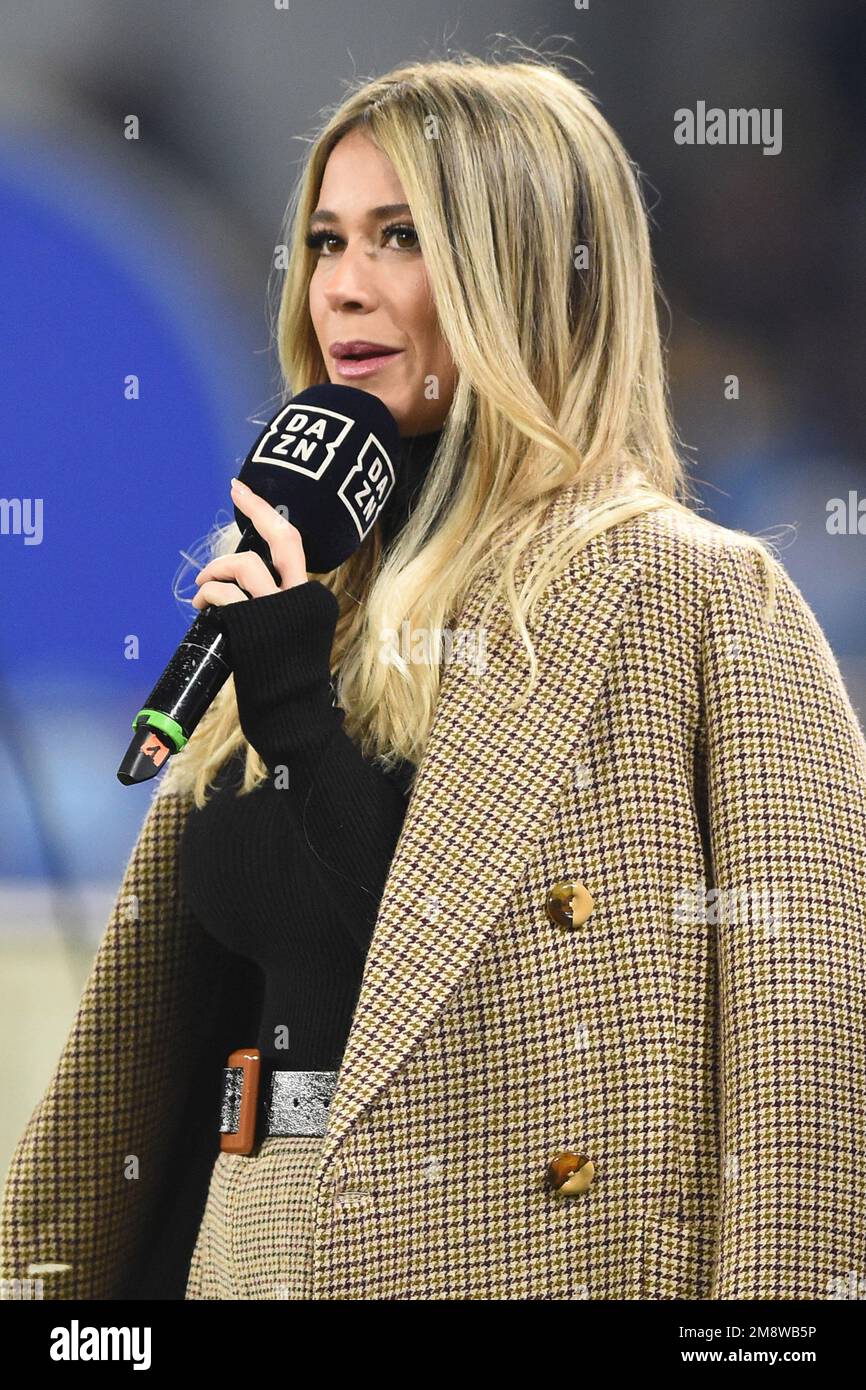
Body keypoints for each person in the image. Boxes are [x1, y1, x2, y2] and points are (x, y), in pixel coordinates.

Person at [3, 52, 865, 1302]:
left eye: (398, 238)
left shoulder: (692, 597)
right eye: (326, 239)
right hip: (251, 1260)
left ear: (518, 272)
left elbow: (807, 1061)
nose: (343, 285)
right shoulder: (293, 604)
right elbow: (194, 1060)